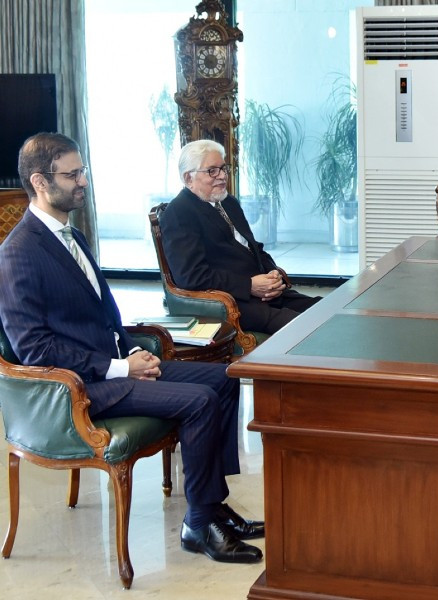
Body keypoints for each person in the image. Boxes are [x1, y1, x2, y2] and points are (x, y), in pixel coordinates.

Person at [0, 132, 265, 564]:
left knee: (224, 378)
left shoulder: (71, 236)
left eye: (83, 171)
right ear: (40, 182)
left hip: (114, 366)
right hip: (81, 387)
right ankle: (199, 524)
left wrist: (133, 356)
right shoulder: (19, 253)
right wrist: (119, 368)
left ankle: (213, 505)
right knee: (199, 401)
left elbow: (96, 314)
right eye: (73, 174)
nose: (83, 181)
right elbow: (35, 349)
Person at [159, 140, 321, 335]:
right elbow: (192, 277)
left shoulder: (228, 202)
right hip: (231, 302)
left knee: (326, 309)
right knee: (306, 327)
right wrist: (250, 286)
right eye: (212, 171)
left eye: (223, 168)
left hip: (264, 293)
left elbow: (254, 249)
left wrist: (273, 275)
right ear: (188, 178)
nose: (222, 176)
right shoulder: (180, 212)